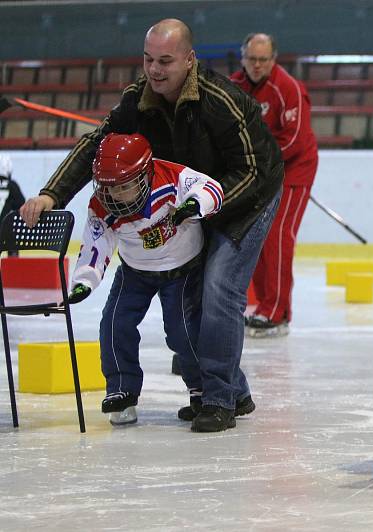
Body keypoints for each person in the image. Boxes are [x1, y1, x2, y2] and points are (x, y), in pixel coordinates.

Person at [19, 18, 284, 433]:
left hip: (248, 195)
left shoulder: (221, 100)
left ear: (189, 60)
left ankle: (218, 399)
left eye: (165, 61)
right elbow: (96, 145)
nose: (155, 70)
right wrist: (52, 193)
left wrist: (198, 208)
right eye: (148, 59)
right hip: (191, 201)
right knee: (192, 299)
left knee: (218, 287)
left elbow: (251, 171)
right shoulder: (137, 100)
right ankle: (235, 391)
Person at [68, 133, 224, 426]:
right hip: (134, 271)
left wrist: (195, 204)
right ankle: (121, 391)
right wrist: (85, 280)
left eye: (125, 186)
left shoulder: (170, 177)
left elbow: (210, 187)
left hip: (181, 267)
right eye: (109, 187)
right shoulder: (101, 206)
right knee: (114, 324)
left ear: (145, 174)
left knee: (182, 332)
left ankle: (200, 389)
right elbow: (95, 244)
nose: (115, 195)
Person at [230, 33, 318, 338]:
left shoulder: (289, 89)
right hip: (259, 172)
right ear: (243, 58)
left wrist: (255, 162)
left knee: (278, 235)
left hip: (294, 170)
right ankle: (262, 305)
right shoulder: (234, 87)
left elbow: (293, 140)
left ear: (273, 60)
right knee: (254, 235)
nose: (257, 65)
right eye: (252, 59)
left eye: (263, 60)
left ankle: (277, 312)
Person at [0, 155, 26, 256]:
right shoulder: (12, 185)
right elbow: (21, 205)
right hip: (4, 231)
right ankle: (13, 261)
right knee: (10, 230)